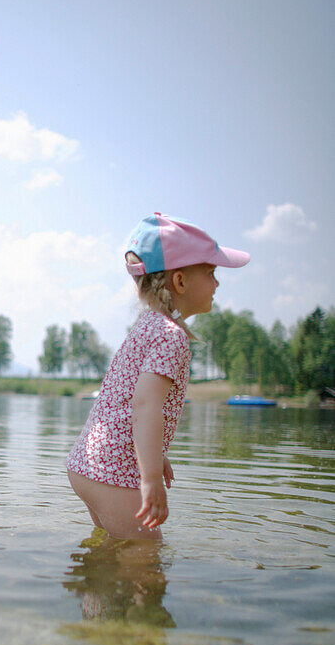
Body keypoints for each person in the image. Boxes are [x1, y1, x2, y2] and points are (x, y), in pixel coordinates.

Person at [66, 213, 249, 539]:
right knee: (146, 560)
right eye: (210, 272)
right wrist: (149, 478)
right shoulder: (171, 335)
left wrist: (155, 454)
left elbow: (123, 401)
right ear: (180, 282)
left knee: (110, 558)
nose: (217, 283)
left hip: (88, 464)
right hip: (115, 473)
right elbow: (145, 405)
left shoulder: (148, 326)